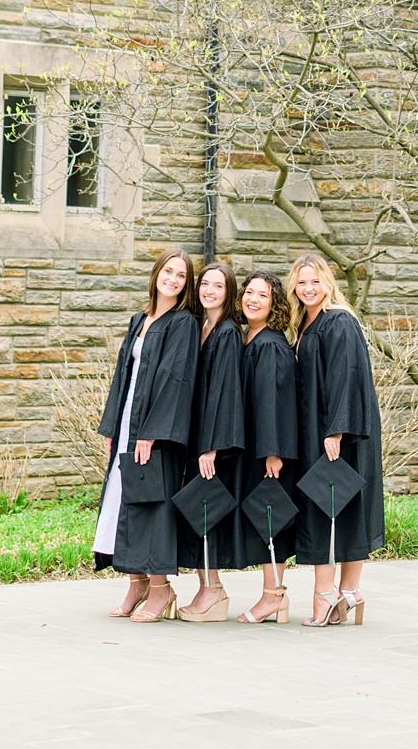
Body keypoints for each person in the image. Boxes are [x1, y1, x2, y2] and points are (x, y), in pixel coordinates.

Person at [91, 249, 200, 622]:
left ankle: (160, 588)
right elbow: (123, 377)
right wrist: (112, 427)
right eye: (168, 271)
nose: (172, 279)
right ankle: (136, 583)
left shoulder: (182, 323)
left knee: (153, 503)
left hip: (155, 432)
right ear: (156, 274)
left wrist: (152, 433)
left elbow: (175, 381)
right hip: (127, 426)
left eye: (181, 276)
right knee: (123, 502)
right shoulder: (140, 318)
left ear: (187, 284)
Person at [289, 251, 384, 628]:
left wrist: (336, 431)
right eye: (302, 281)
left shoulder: (339, 321)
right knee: (337, 507)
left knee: (334, 506)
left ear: (327, 282)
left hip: (339, 433)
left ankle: (330, 596)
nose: (308, 288)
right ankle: (349, 593)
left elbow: (347, 376)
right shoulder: (306, 323)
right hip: (320, 429)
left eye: (315, 281)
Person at [176, 260, 245, 623]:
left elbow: (225, 391)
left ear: (228, 292)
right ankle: (206, 587)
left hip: (210, 444)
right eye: (205, 284)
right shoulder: (203, 326)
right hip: (194, 437)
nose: (209, 291)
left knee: (205, 514)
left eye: (218, 286)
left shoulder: (229, 333)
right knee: (195, 513)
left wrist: (211, 447)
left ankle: (214, 589)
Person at [230, 270, 300, 623]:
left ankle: (273, 596)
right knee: (263, 519)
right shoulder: (247, 337)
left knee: (271, 521)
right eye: (250, 293)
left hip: (268, 452)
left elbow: (276, 402)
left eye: (263, 295)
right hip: (253, 448)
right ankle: (275, 598)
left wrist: (273, 452)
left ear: (274, 304)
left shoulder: (270, 344)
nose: (253, 299)